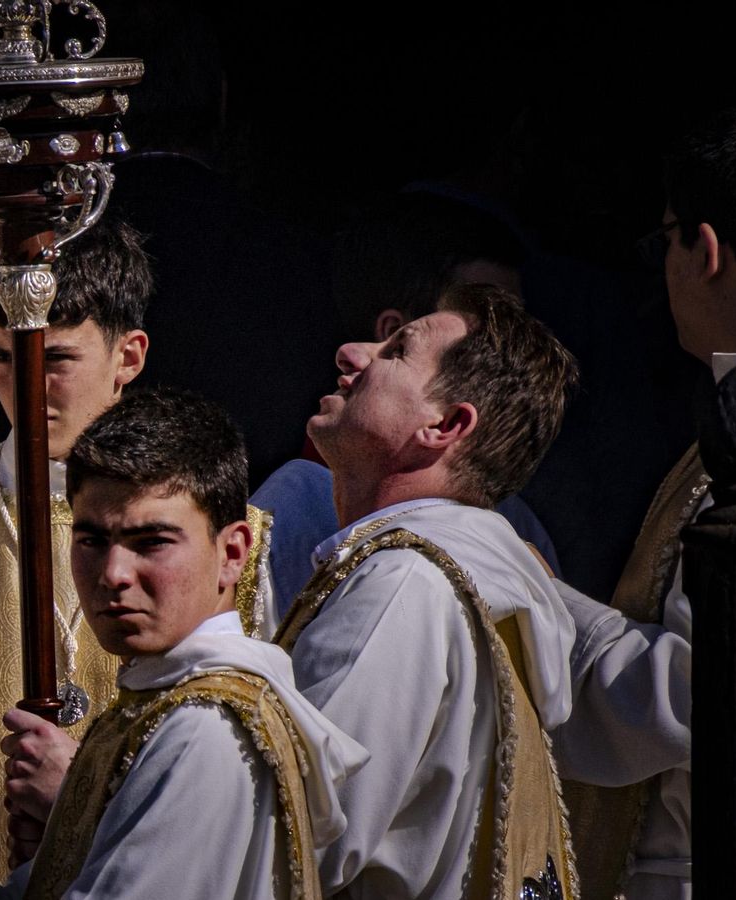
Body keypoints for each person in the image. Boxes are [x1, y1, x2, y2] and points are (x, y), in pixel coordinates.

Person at [0, 387, 366, 900]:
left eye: (151, 541)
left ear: (232, 552)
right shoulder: (158, 702)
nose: (113, 573)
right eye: (91, 539)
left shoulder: (207, 727)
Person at [275, 282, 579, 897]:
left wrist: (101, 797)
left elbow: (295, 833)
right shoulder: (460, 578)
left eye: (394, 352)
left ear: (444, 425)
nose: (351, 354)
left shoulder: (402, 583)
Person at [552, 105, 736, 900]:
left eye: (661, 238)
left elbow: (702, 691)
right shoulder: (724, 422)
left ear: (702, 249)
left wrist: (538, 602)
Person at [253, 191, 561, 606]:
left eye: (513, 318)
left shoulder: (511, 536)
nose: (505, 341)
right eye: (486, 316)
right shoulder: (292, 504)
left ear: (449, 424)